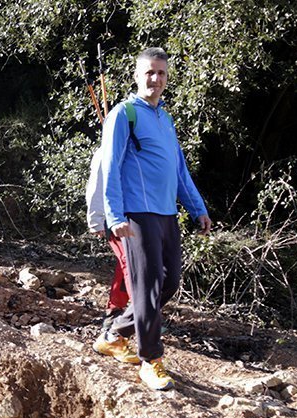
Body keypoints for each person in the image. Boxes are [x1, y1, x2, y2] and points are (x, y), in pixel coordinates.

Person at [95, 47, 212, 390]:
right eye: (149, 72)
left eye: (161, 73)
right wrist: (115, 215)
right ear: (137, 75)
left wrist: (197, 207)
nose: (156, 79)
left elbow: (179, 170)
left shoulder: (165, 119)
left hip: (166, 214)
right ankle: (150, 360)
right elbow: (110, 169)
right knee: (146, 289)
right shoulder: (124, 114)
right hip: (136, 214)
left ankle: (114, 332)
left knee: (170, 282)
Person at [86, 148, 131, 330]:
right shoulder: (107, 150)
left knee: (128, 266)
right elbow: (97, 184)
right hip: (114, 219)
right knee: (129, 263)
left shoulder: (134, 149)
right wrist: (96, 219)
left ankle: (122, 310)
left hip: (136, 217)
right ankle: (122, 314)